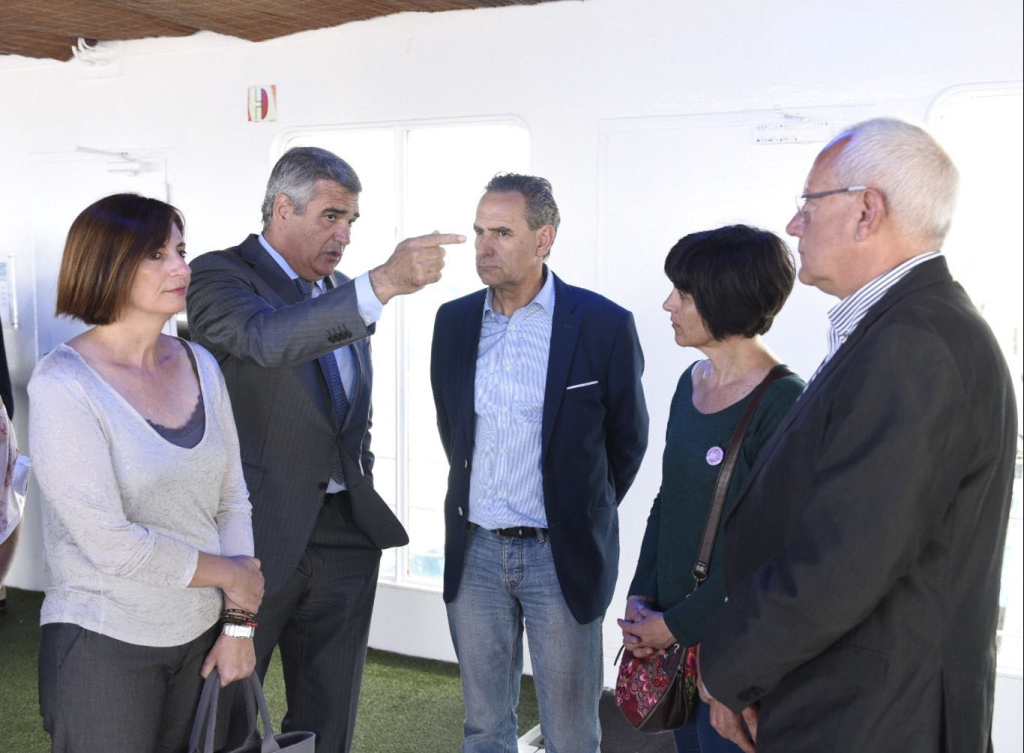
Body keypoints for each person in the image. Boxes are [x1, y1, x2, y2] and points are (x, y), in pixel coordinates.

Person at [699, 118, 1018, 753]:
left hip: (869, 716)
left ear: (867, 210)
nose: (794, 227)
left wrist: (724, 671)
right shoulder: (910, 327)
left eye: (808, 204)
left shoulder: (912, 344)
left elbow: (840, 563)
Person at [186, 146, 464, 752]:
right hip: (255, 539)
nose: (343, 235)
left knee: (328, 724)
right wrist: (383, 283)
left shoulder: (339, 289)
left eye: (351, 222)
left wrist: (355, 475)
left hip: (344, 536)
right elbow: (264, 340)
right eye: (332, 217)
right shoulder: (218, 275)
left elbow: (345, 413)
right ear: (283, 208)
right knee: (230, 717)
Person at [28, 193, 264, 752]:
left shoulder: (199, 363)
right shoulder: (63, 385)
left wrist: (237, 627)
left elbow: (232, 499)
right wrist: (233, 578)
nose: (182, 267)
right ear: (107, 265)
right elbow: (111, 545)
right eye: (157, 254)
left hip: (204, 638)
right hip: (104, 641)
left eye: (181, 249)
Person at [431, 173, 649, 753]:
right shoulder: (453, 323)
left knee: (572, 734)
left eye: (502, 232)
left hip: (561, 556)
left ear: (543, 238)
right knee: (484, 729)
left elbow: (626, 441)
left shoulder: (602, 324)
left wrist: (580, 509)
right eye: (480, 231)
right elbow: (453, 428)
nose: (484, 246)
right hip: (475, 552)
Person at [617, 225, 804, 753]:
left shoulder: (785, 402)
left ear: (724, 300)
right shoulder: (690, 380)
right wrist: (640, 598)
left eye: (683, 292)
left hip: (735, 648)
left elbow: (770, 552)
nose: (667, 303)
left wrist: (674, 625)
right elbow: (667, 501)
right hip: (670, 641)